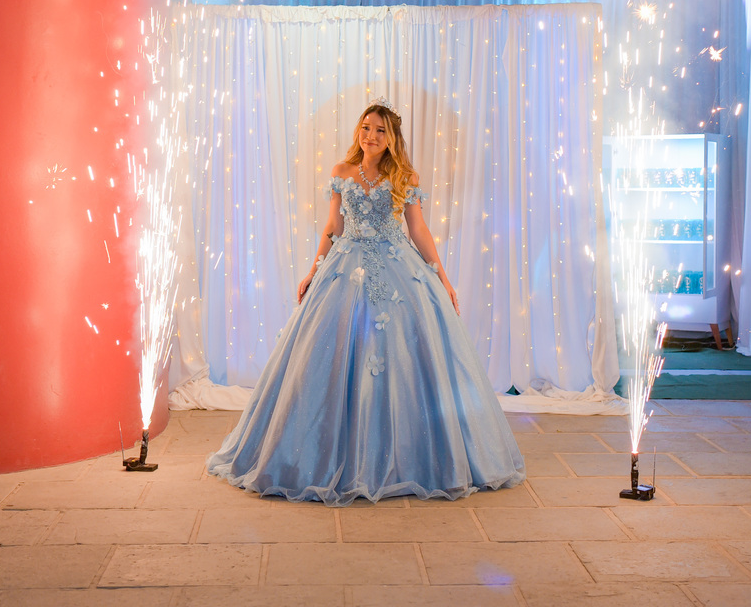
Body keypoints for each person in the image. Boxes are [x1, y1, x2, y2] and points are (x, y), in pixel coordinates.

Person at [207, 99, 525, 505]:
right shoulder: (342, 172)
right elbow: (332, 226)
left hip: (397, 268)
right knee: (330, 351)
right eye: (365, 127)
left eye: (379, 130)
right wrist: (314, 269)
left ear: (391, 138)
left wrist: (442, 276)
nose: (370, 136)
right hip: (346, 266)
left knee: (407, 353)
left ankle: (409, 457)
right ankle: (320, 453)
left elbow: (418, 229)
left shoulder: (404, 177)